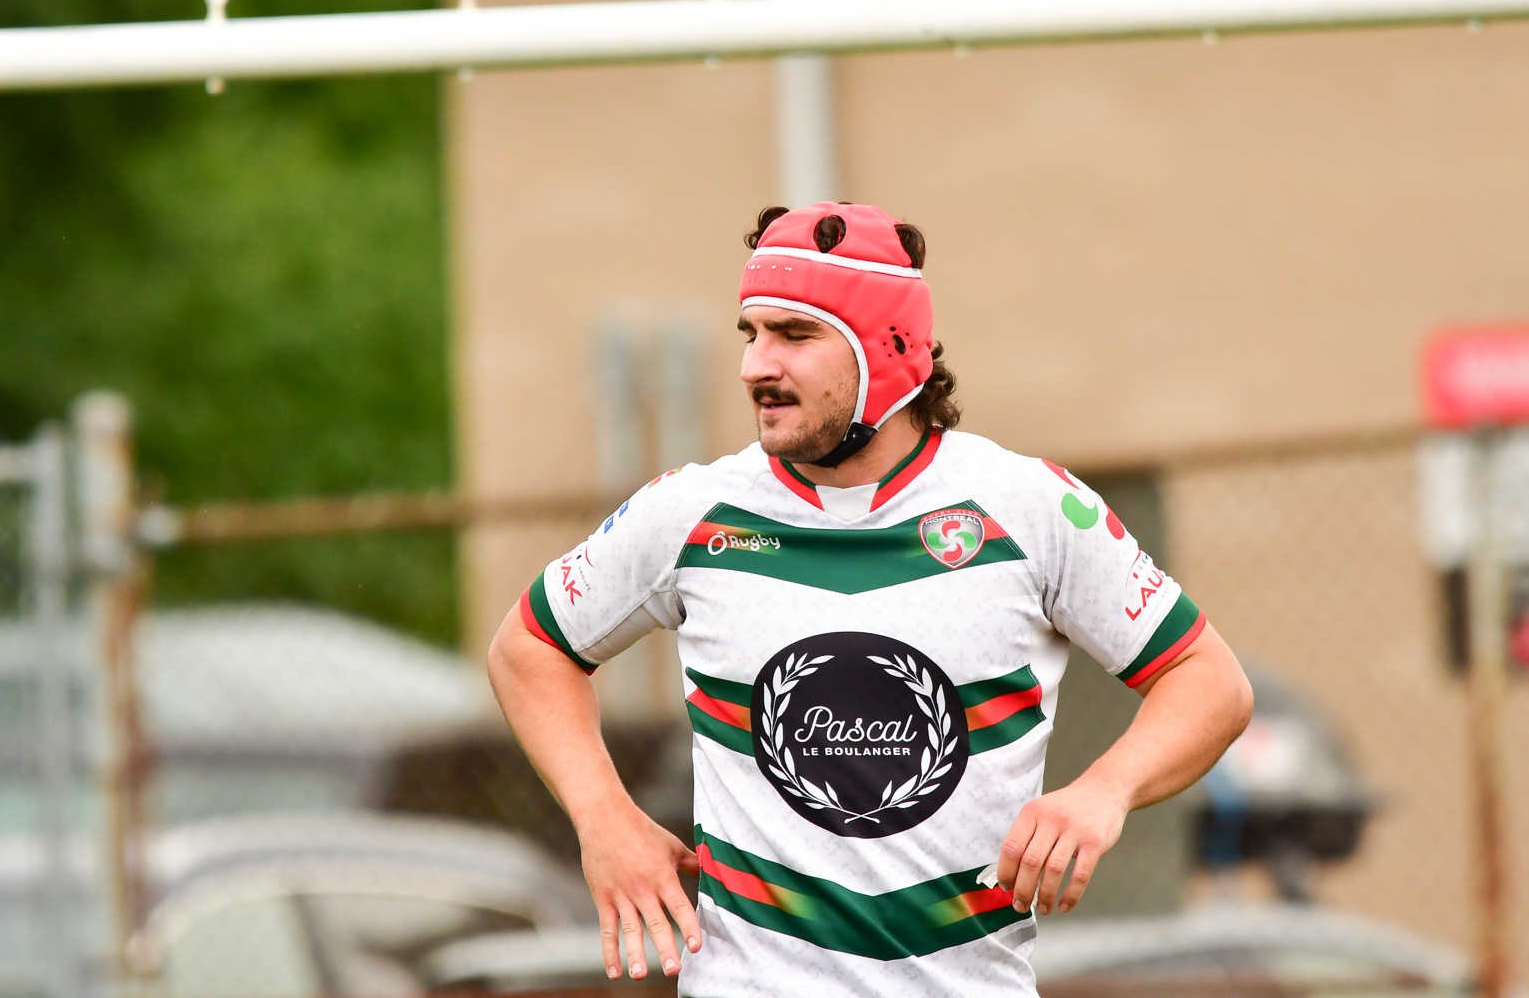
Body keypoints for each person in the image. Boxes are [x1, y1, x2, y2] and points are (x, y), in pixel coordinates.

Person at [488, 202, 1254, 997]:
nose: (754, 365)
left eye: (795, 334)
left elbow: (1209, 680)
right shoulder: (691, 513)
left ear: (886, 348)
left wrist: (1104, 791)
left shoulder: (1028, 508)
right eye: (751, 334)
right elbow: (529, 648)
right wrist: (603, 818)